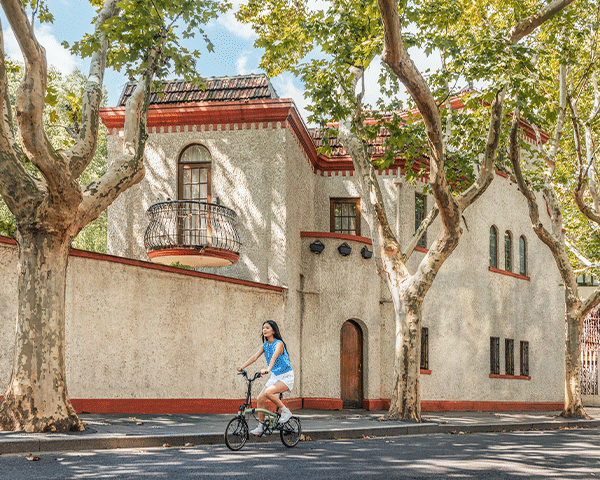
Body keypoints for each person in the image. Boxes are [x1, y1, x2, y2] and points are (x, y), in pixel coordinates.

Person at [237, 320, 294, 436]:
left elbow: (274, 357)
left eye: (267, 328)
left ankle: (286, 412)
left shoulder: (279, 344)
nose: (264, 330)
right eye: (263, 328)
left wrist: (268, 369)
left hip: (286, 376)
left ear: (273, 330)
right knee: (260, 399)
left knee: (268, 392)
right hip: (275, 376)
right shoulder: (265, 345)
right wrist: (242, 367)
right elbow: (254, 357)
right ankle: (261, 426)